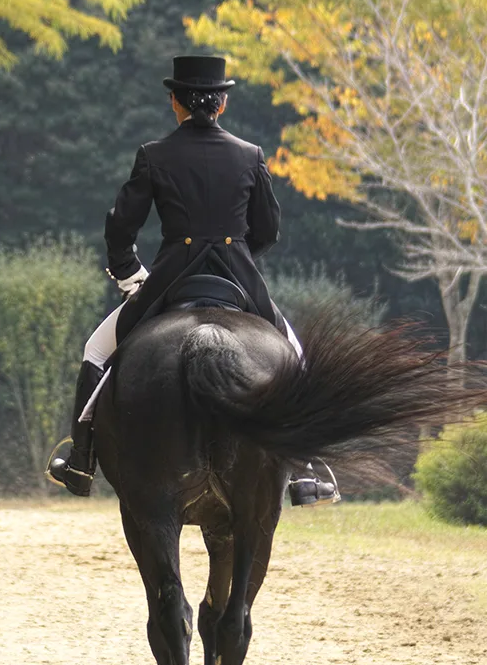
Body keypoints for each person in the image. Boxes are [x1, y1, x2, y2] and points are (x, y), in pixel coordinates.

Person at [45, 55, 331, 503]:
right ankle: (306, 470)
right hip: (239, 275)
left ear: (175, 103)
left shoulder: (154, 155)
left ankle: (81, 462)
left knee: (96, 351)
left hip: (168, 279)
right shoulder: (250, 155)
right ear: (222, 105)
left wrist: (130, 276)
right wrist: (237, 256)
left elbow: (120, 228)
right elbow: (269, 229)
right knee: (295, 358)